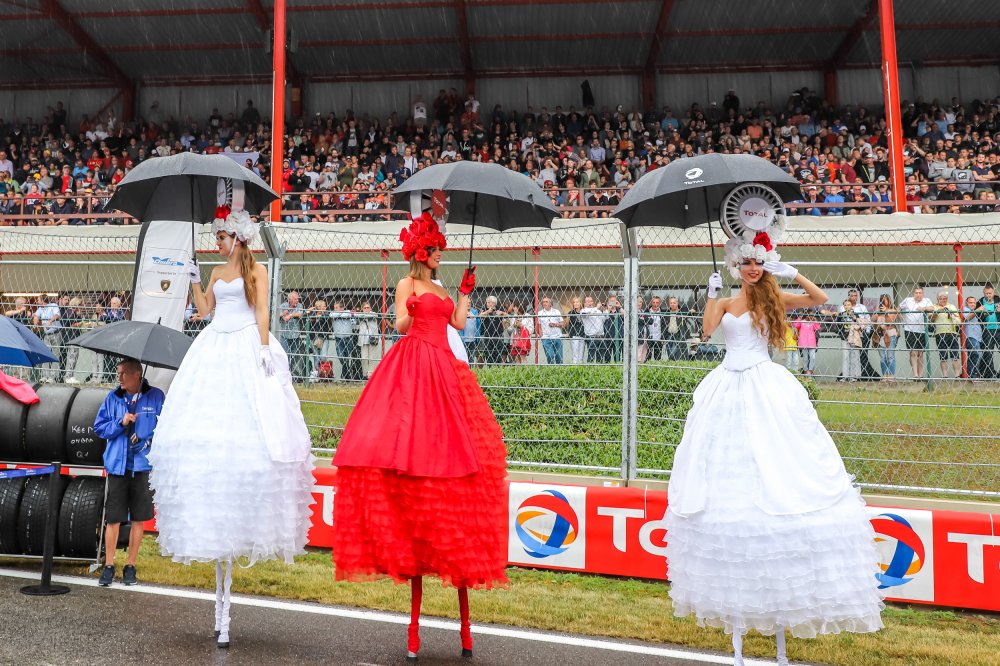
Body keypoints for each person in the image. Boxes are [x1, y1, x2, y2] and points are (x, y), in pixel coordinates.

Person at [666, 227, 884, 666]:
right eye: (746, 262)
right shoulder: (725, 303)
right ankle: (737, 643)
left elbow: (820, 299)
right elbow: (707, 332)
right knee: (728, 477)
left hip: (766, 387)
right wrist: (711, 293)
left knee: (778, 469)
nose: (752, 269)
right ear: (735, 265)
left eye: (758, 263)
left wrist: (793, 272)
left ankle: (780, 641)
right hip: (726, 388)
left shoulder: (773, 298)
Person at [332, 214, 507, 661]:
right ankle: (415, 625)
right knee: (410, 447)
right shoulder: (407, 285)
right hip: (415, 368)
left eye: (441, 250)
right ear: (422, 253)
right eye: (436, 250)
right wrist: (410, 310)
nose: (441, 255)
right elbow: (399, 326)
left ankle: (464, 628)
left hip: (447, 372)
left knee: (460, 458)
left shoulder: (444, 291)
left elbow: (459, 325)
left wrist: (465, 294)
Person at [148, 200, 314, 649]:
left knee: (253, 431)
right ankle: (218, 607)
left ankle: (227, 610)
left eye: (221, 237)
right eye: (217, 237)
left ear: (237, 238)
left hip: (243, 347)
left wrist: (263, 349)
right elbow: (205, 310)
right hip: (213, 349)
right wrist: (194, 278)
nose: (217, 243)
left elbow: (261, 313)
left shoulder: (255, 272)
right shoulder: (218, 272)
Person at [93, 358, 164, 587]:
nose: (119, 377)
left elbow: (165, 428)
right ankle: (109, 566)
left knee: (138, 518)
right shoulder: (112, 397)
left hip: (142, 467)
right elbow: (99, 428)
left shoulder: (156, 397)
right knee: (113, 518)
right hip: (117, 466)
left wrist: (147, 439)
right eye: (118, 373)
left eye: (123, 373)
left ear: (137, 374)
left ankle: (130, 566)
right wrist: (120, 423)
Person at [899, 286, 935, 380]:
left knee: (920, 354)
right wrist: (902, 319)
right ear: (913, 294)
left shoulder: (927, 300)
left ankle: (920, 374)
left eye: (920, 293)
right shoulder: (908, 300)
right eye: (916, 293)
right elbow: (898, 308)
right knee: (913, 353)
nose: (918, 294)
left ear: (923, 294)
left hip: (922, 330)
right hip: (910, 329)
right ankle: (915, 375)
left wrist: (924, 308)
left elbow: (932, 308)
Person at [931, 291, 962, 379]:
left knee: (955, 355)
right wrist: (938, 312)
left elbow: (958, 320)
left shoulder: (951, 306)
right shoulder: (934, 307)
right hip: (940, 333)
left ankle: (957, 375)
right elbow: (931, 319)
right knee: (943, 356)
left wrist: (952, 314)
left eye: (944, 298)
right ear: (937, 299)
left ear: (947, 299)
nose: (943, 300)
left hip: (952, 332)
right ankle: (945, 376)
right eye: (940, 298)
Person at [872, 295, 899, 382]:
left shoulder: (892, 310)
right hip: (880, 336)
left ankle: (891, 376)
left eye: (885, 300)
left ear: (889, 301)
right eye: (881, 300)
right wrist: (877, 312)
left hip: (890, 335)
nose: (883, 302)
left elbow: (889, 321)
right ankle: (884, 375)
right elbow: (872, 320)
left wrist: (886, 312)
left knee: (890, 356)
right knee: (882, 357)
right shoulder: (878, 311)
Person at [976, 284, 1000, 379]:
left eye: (990, 293)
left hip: (998, 329)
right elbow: (977, 317)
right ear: (984, 293)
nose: (988, 295)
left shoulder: (998, 300)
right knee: (988, 353)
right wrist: (983, 314)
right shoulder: (980, 302)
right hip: (987, 330)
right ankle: (991, 374)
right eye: (986, 293)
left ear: (993, 292)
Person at [536, 296, 565, 365]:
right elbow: (539, 326)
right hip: (546, 338)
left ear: (550, 303)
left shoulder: (556, 311)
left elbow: (563, 324)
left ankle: (559, 370)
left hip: (557, 337)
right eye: (543, 302)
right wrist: (541, 336)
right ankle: (551, 369)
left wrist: (555, 324)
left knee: (559, 357)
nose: (544, 303)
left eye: (546, 302)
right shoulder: (540, 313)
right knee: (550, 355)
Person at [792, 312, 821, 378]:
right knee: (805, 358)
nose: (811, 316)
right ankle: (805, 371)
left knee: (812, 357)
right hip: (803, 342)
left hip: (812, 343)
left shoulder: (812, 322)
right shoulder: (802, 322)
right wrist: (799, 318)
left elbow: (817, 328)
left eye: (812, 315)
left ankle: (810, 371)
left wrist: (815, 320)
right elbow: (795, 325)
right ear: (806, 315)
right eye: (810, 315)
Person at [962, 295, 983, 379]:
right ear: (966, 303)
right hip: (970, 336)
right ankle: (973, 375)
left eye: (974, 303)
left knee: (974, 355)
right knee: (976, 353)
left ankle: (973, 374)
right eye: (970, 302)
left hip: (978, 337)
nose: (973, 304)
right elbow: (968, 318)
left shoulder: (974, 311)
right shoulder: (965, 309)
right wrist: (978, 310)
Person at [566, 296, 586, 364]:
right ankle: (575, 366)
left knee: (581, 354)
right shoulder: (571, 313)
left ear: (580, 303)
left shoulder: (584, 312)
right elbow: (567, 324)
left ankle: (580, 366)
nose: (576, 303)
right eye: (574, 302)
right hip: (574, 334)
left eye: (577, 302)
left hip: (582, 334)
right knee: (575, 354)